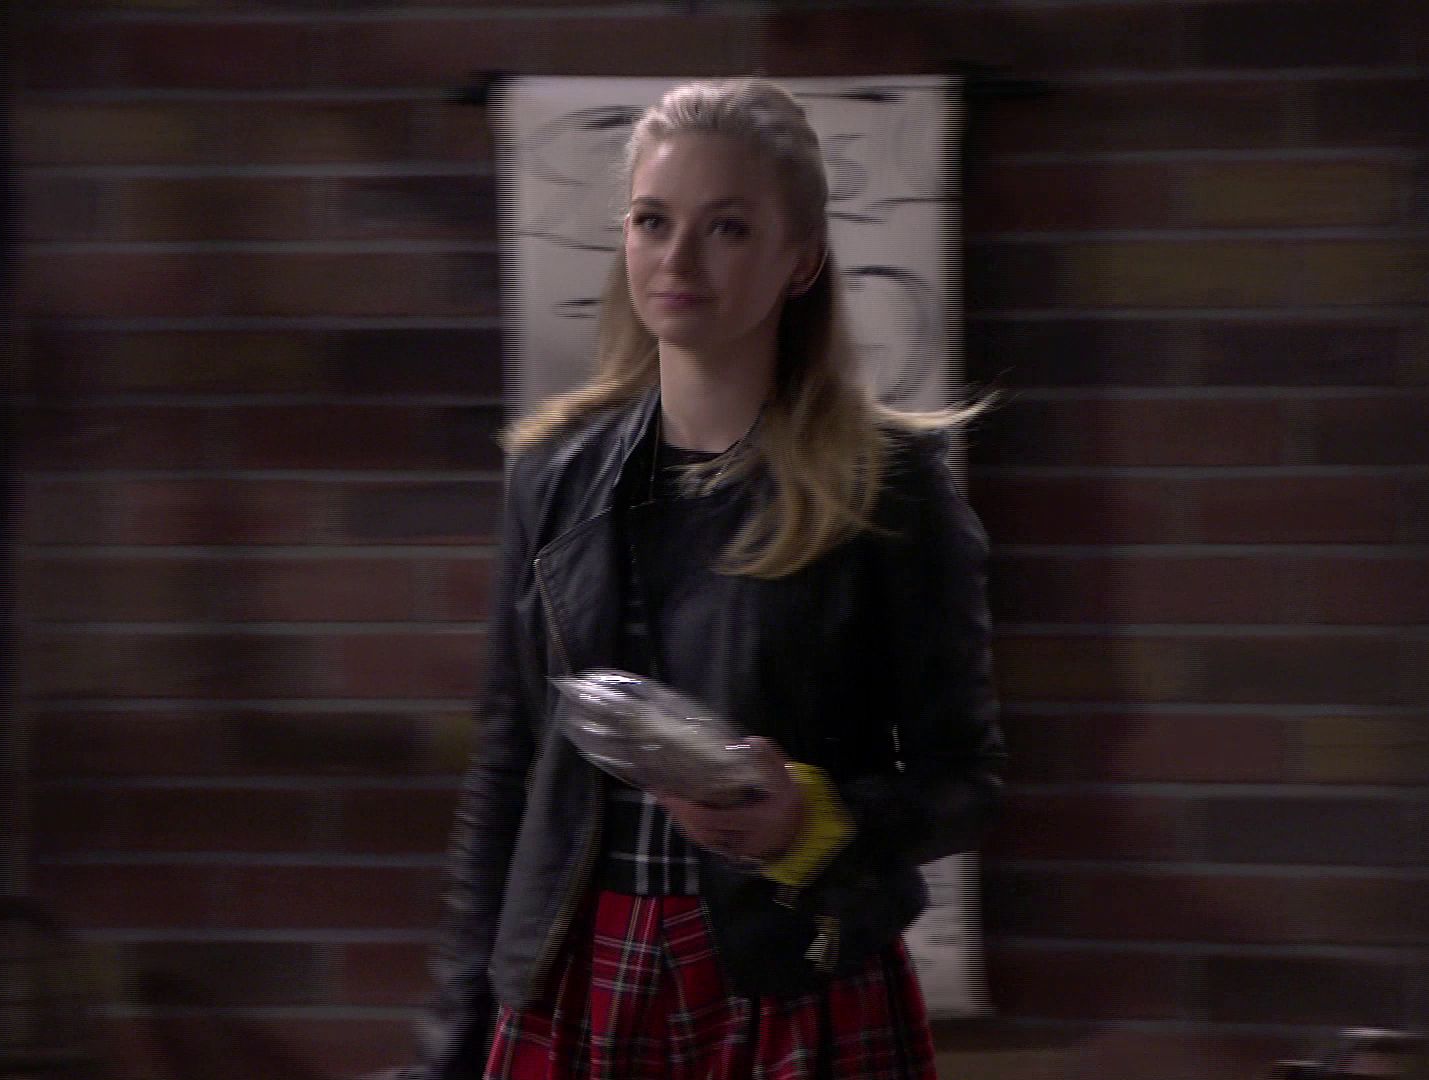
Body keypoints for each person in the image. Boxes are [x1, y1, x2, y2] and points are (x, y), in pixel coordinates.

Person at [408, 79, 1006, 1080]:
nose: (677, 261)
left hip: (787, 973)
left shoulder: (888, 489)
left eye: (726, 228)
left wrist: (814, 820)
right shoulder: (553, 475)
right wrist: (451, 1047)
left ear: (799, 260)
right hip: (578, 973)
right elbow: (507, 772)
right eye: (653, 221)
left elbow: (966, 781)